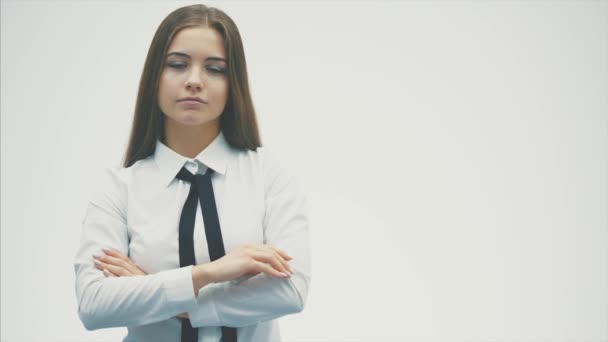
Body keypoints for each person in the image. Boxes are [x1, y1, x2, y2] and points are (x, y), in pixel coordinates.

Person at [73, 4, 311, 342]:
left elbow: (290, 291)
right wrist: (209, 273)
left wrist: (154, 291)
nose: (195, 81)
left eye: (215, 69)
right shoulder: (120, 186)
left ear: (233, 84)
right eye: (178, 65)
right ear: (155, 75)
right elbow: (94, 305)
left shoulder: (270, 175)